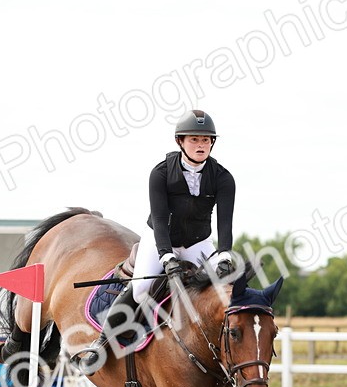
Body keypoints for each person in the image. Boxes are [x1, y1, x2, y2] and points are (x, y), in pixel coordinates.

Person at [74, 109, 237, 370]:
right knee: (140, 290)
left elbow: (225, 221)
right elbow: (160, 219)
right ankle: (102, 343)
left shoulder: (223, 178)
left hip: (199, 243)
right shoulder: (160, 173)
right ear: (180, 142)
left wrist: (226, 253)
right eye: (194, 139)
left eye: (206, 140)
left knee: (218, 290)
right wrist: (167, 255)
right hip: (161, 237)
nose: (200, 145)